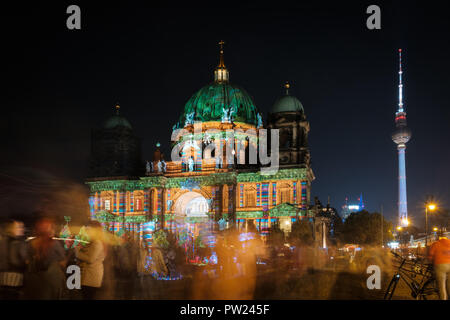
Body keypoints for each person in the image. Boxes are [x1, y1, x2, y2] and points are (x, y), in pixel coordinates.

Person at [25, 218, 67, 299]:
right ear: (49, 229)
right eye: (52, 227)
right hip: (52, 279)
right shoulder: (55, 243)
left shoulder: (31, 243)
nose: (53, 230)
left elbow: (27, 261)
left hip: (35, 279)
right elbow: (63, 261)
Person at [75, 221, 106, 300]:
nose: (86, 231)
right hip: (88, 277)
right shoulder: (91, 242)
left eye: (89, 229)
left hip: (91, 278)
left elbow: (90, 259)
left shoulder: (97, 243)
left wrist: (77, 252)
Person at [0, 220, 28, 299]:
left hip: (2, 278)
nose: (22, 229)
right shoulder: (18, 242)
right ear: (11, 229)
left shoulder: (2, 241)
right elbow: (16, 260)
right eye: (19, 227)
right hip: (15, 278)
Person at [428, 236, 450, 300]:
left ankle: (443, 298)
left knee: (441, 285)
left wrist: (430, 261)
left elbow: (431, 255)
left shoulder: (436, 244)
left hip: (440, 265)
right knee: (449, 285)